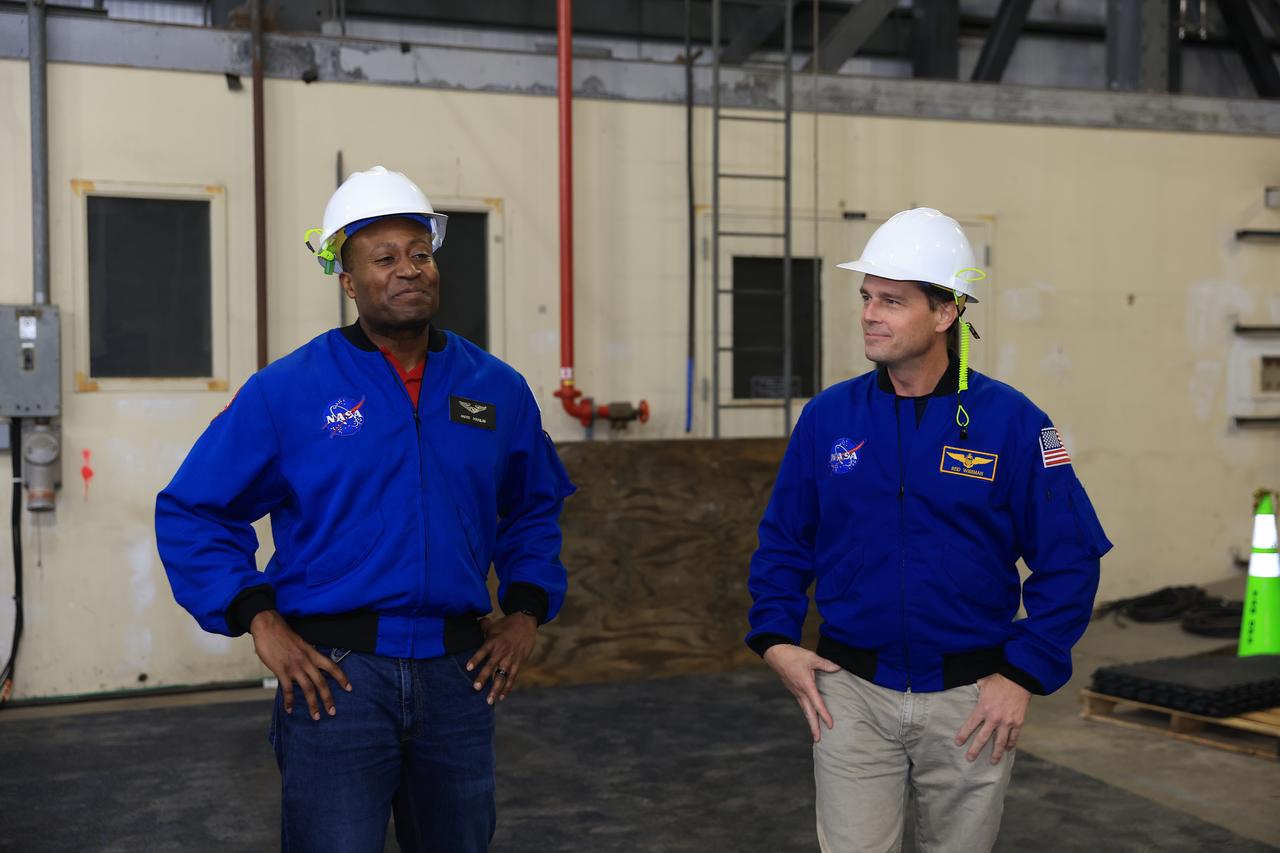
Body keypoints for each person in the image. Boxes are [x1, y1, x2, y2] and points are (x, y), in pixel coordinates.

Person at [155, 165, 575, 853]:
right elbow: (194, 509)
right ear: (348, 281)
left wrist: (526, 610)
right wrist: (258, 619)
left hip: (457, 675)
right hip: (335, 680)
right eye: (384, 258)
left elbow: (532, 507)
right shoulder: (288, 390)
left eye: (420, 253)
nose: (409, 269)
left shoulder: (494, 388)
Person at [745, 208, 1111, 853]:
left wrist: (1023, 672)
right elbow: (784, 539)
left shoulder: (1014, 424)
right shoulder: (830, 418)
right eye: (866, 297)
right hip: (849, 695)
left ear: (946, 313)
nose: (870, 314)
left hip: (972, 702)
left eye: (893, 300)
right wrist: (775, 636)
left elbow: (1071, 557)